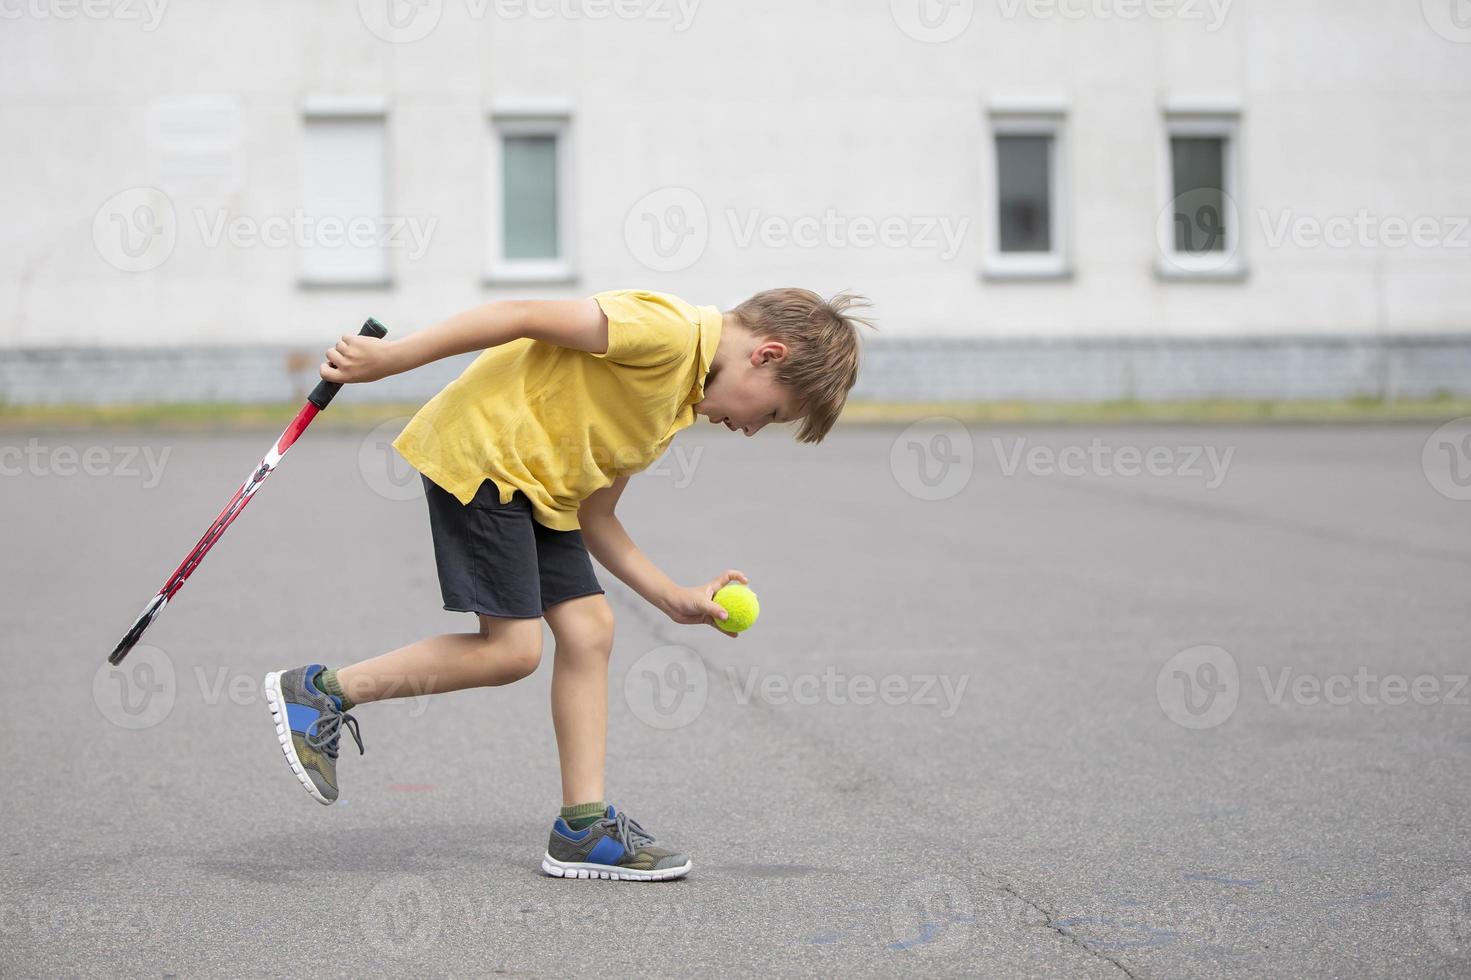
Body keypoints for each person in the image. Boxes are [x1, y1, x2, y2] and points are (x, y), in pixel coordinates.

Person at [262, 288, 871, 881]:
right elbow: (520, 314)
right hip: (487, 459)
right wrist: (391, 360)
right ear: (767, 355)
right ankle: (322, 691)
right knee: (512, 650)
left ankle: (583, 829)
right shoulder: (665, 332)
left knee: (590, 631)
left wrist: (671, 596)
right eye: (770, 413)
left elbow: (596, 515)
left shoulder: (676, 403)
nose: (754, 428)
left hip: (542, 492)